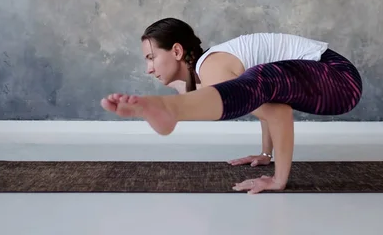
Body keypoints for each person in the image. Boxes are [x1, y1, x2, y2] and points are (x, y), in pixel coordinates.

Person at [101, 18, 363, 194]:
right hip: (330, 80)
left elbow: (279, 112)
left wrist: (278, 180)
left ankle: (173, 109)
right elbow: (270, 101)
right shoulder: (215, 68)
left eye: (151, 57)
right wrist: (265, 154)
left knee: (255, 83)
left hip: (340, 80)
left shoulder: (211, 66)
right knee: (254, 86)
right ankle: (173, 108)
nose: (148, 69)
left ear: (177, 52)